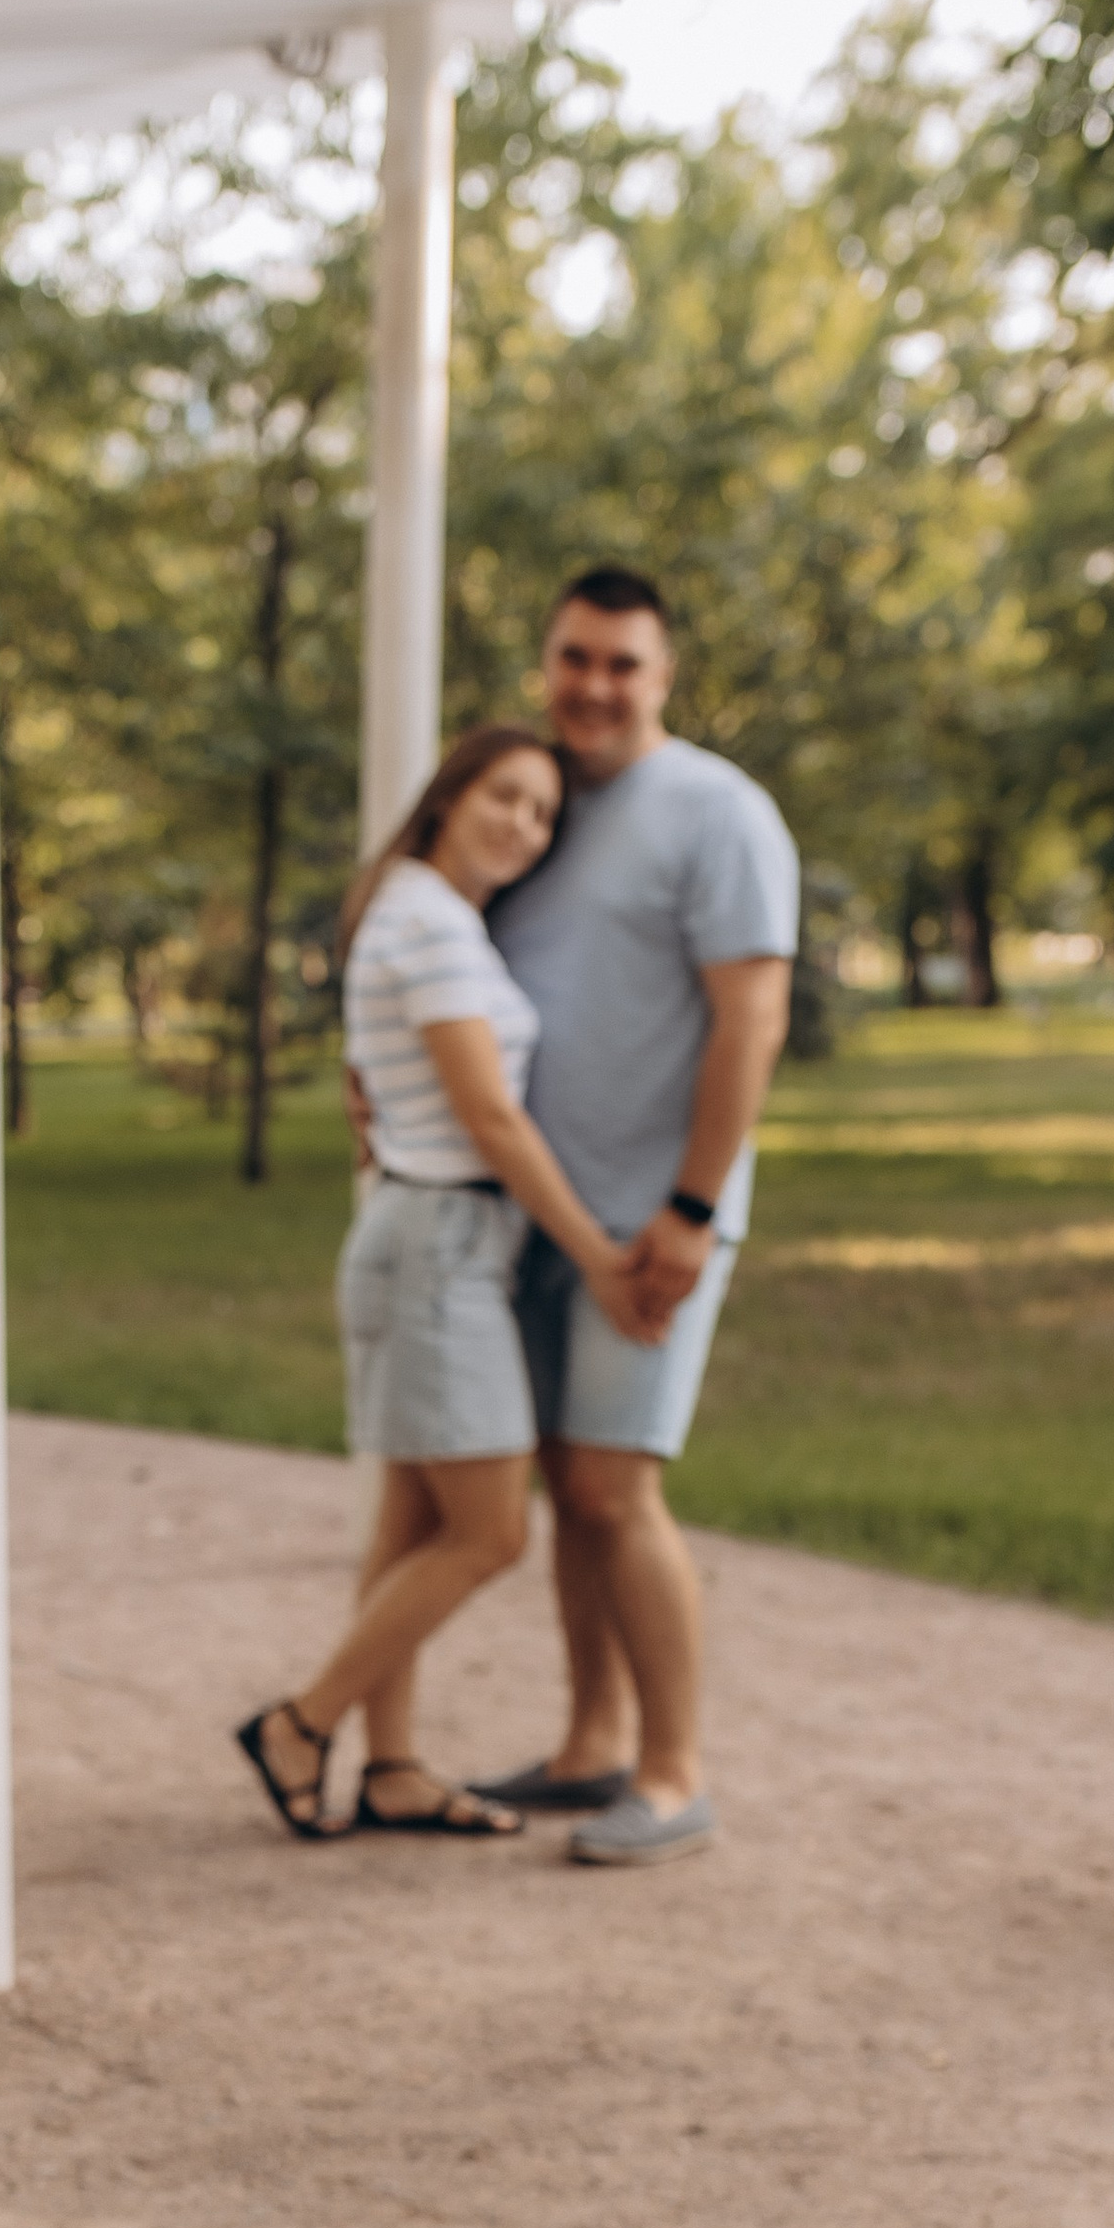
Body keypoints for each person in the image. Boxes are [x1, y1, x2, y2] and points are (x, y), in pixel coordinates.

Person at [234, 725, 649, 1842]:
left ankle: (394, 1766)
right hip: (438, 1245)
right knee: (490, 1531)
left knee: (415, 1522)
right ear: (449, 795)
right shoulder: (424, 916)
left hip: (435, 1238)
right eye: (505, 796)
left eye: (543, 812)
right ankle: (302, 1725)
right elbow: (490, 1118)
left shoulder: (426, 915)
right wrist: (599, 1255)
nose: (525, 824)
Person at [475, 565, 798, 1866]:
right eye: (575, 659)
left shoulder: (717, 811)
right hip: (544, 1215)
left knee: (615, 1487)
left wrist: (691, 1206)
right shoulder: (534, 808)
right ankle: (590, 1744)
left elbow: (751, 1017)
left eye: (623, 664)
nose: (595, 686)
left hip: (653, 1221)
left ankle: (671, 1772)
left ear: (664, 677)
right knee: (568, 1484)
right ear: (545, 664)